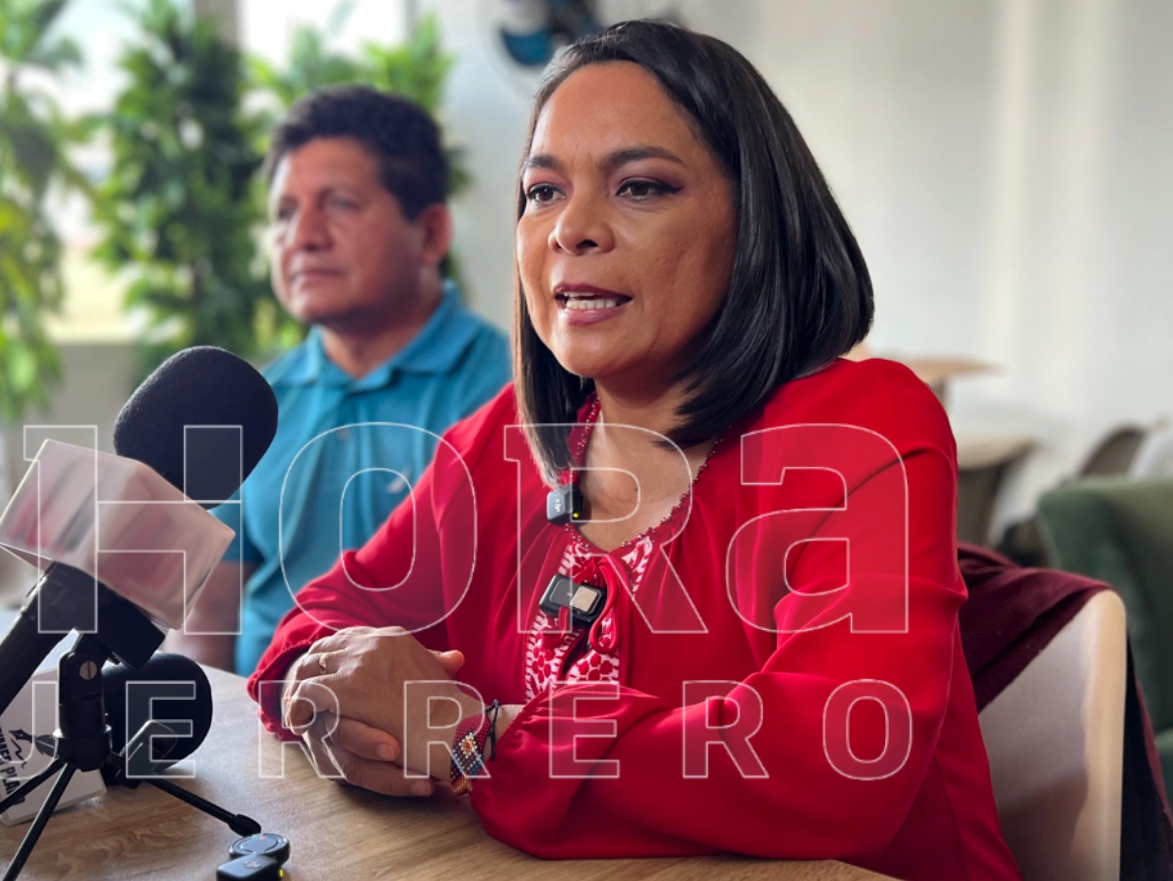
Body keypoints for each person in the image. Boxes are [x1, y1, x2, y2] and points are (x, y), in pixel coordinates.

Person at [248, 22, 1020, 880]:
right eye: (543, 191)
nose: (571, 228)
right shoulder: (507, 440)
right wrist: (326, 691)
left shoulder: (863, 426)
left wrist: (474, 734)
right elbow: (315, 622)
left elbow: (842, 757)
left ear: (754, 221)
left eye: (641, 186)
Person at [168, 86, 510, 675]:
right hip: (257, 714)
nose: (303, 236)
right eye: (283, 213)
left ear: (430, 234)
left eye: (342, 204)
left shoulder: (509, 392)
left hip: (433, 723)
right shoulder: (252, 403)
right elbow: (207, 619)